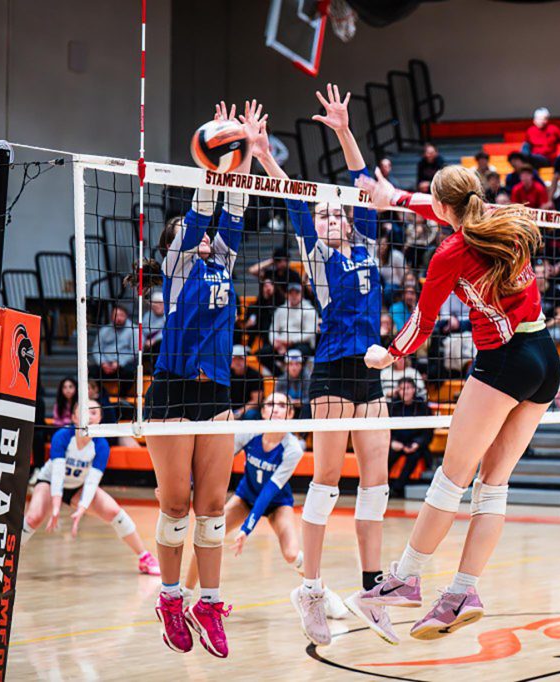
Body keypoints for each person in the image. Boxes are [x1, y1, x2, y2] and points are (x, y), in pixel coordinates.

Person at [353, 163, 560, 641]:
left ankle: (405, 579)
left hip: (504, 362)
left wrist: (389, 354)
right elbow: (447, 209)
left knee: (450, 480)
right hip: (546, 357)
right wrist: (397, 198)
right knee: (493, 485)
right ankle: (463, 591)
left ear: (444, 209)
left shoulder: (449, 251)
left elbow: (423, 324)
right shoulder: (503, 219)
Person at [253, 85, 395, 646]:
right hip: (333, 373)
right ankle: (310, 588)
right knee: (329, 481)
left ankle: (372, 587)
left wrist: (342, 128)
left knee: (377, 483)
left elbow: (363, 181)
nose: (332, 215)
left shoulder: (367, 243)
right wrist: (264, 155)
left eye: (337, 211)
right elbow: (292, 198)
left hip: (372, 372)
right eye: (324, 212)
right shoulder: (316, 250)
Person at [138, 99, 259, 657]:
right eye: (196, 234)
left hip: (218, 394)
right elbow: (206, 206)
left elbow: (233, 209)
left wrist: (247, 151)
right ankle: (168, 598)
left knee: (213, 507)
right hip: (172, 390)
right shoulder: (180, 262)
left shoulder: (221, 264)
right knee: (176, 506)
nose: (208, 237)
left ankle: (208, 604)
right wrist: (215, 163)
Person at [182, 392, 350, 618]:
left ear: (290, 415)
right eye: (270, 403)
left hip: (277, 502)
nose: (275, 408)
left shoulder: (293, 448)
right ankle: (185, 596)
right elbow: (216, 461)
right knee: (208, 535)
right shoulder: (249, 432)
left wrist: (246, 529)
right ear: (262, 411)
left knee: (292, 554)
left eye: (282, 405)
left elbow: (269, 491)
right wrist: (189, 481)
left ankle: (321, 590)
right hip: (245, 497)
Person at [22, 400, 160, 578]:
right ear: (73, 417)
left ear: (100, 419)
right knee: (34, 517)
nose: (89, 415)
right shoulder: (63, 435)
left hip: (78, 486)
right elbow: (56, 475)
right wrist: (55, 507)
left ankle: (145, 558)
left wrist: (82, 509)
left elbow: (92, 482)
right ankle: (7, 557)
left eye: (94, 412)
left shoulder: (101, 445)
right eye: (84, 411)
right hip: (50, 483)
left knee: (115, 512)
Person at [387, 377, 434, 496]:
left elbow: (428, 433)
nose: (405, 391)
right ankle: (382, 486)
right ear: (398, 390)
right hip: (397, 442)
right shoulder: (392, 406)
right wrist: (392, 442)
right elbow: (385, 429)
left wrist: (417, 444)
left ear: (414, 390)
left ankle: (397, 489)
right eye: (402, 389)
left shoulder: (423, 407)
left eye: (408, 388)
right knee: (387, 456)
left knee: (414, 456)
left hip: (415, 444)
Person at [89, 303, 138, 395]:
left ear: (126, 316)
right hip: (105, 365)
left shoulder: (134, 330)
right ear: (111, 316)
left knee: (131, 372)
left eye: (121, 315)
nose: (118, 318)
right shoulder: (104, 330)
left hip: (123, 365)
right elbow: (96, 349)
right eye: (116, 315)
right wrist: (103, 363)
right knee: (89, 371)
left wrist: (119, 363)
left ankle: (122, 397)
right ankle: (100, 396)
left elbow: (135, 352)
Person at [229, 344, 264, 419]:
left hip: (247, 410)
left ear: (246, 359)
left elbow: (256, 400)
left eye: (240, 358)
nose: (237, 361)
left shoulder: (255, 375)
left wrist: (240, 412)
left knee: (251, 414)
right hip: (229, 409)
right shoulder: (225, 374)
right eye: (234, 358)